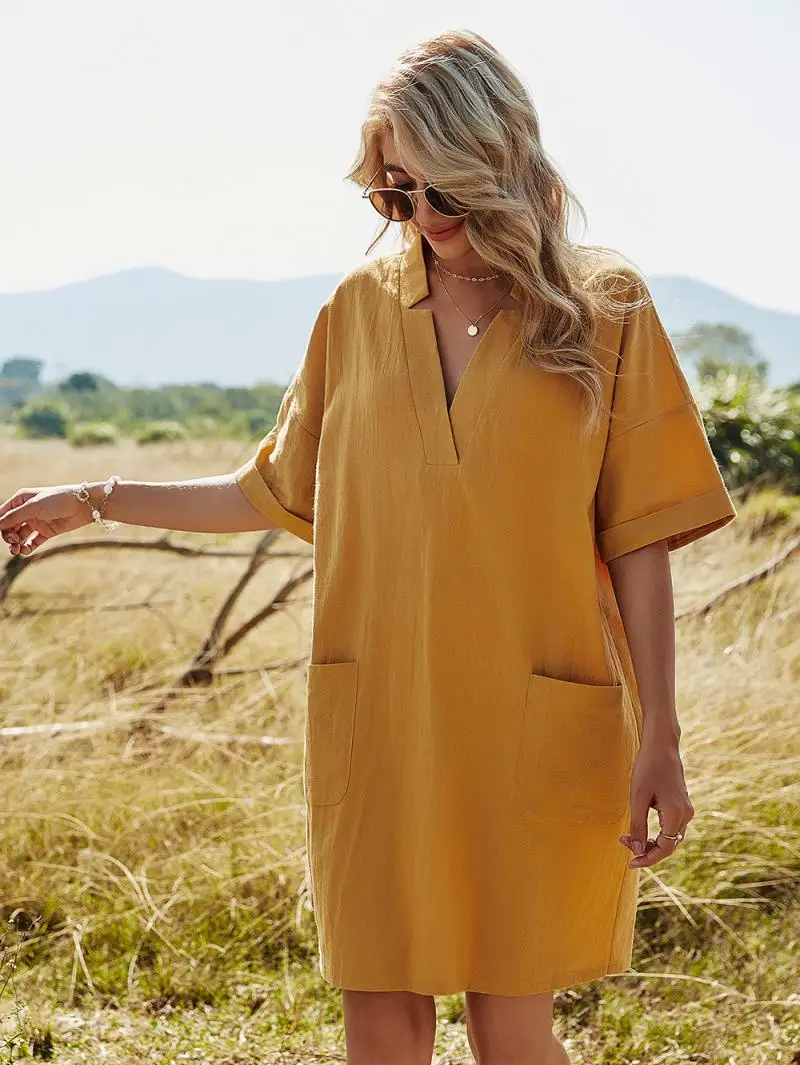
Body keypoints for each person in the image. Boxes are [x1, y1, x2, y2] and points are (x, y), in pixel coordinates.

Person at [0, 29, 737, 1065]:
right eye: (398, 194)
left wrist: (659, 735)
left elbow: (641, 538)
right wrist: (99, 496)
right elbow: (270, 489)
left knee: (508, 1025)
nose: (426, 221)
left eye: (448, 193)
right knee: (380, 1020)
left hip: (539, 714)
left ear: (504, 164)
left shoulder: (601, 308)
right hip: (381, 715)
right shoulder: (356, 310)